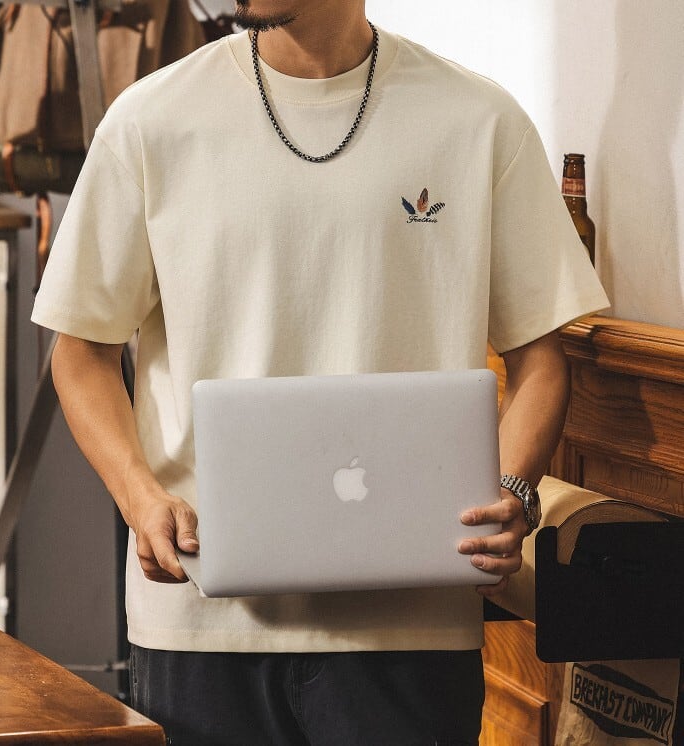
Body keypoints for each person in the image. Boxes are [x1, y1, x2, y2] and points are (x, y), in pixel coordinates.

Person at [32, 1, 609, 743]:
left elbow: (541, 357)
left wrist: (515, 489)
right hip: (200, 622)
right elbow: (79, 350)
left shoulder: (481, 120)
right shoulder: (149, 121)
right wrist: (139, 497)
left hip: (414, 629)